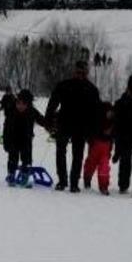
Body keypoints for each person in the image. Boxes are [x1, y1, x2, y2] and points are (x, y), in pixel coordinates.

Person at [45, 60, 101, 192]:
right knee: (60, 151)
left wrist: (94, 131)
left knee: (78, 155)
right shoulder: (64, 85)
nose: (80, 74)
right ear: (74, 72)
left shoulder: (92, 89)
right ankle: (62, 180)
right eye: (78, 72)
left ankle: (74, 182)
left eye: (83, 72)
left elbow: (96, 112)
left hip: (81, 127)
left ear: (86, 73)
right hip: (64, 123)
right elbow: (53, 103)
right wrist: (48, 120)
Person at [3, 89, 48, 187]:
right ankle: (11, 176)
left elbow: (41, 120)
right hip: (13, 139)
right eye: (18, 103)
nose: (20, 106)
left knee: (27, 159)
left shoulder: (32, 111)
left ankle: (24, 178)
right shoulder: (11, 111)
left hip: (26, 140)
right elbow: (6, 128)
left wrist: (50, 126)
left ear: (28, 104)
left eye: (23, 104)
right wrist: (5, 142)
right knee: (12, 158)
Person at [83, 101, 115, 195]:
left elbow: (114, 135)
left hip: (106, 148)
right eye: (108, 112)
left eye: (111, 112)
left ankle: (104, 186)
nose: (110, 114)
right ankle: (87, 178)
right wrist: (91, 140)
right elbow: (89, 132)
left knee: (104, 167)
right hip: (95, 146)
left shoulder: (113, 123)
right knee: (90, 164)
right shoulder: (97, 120)